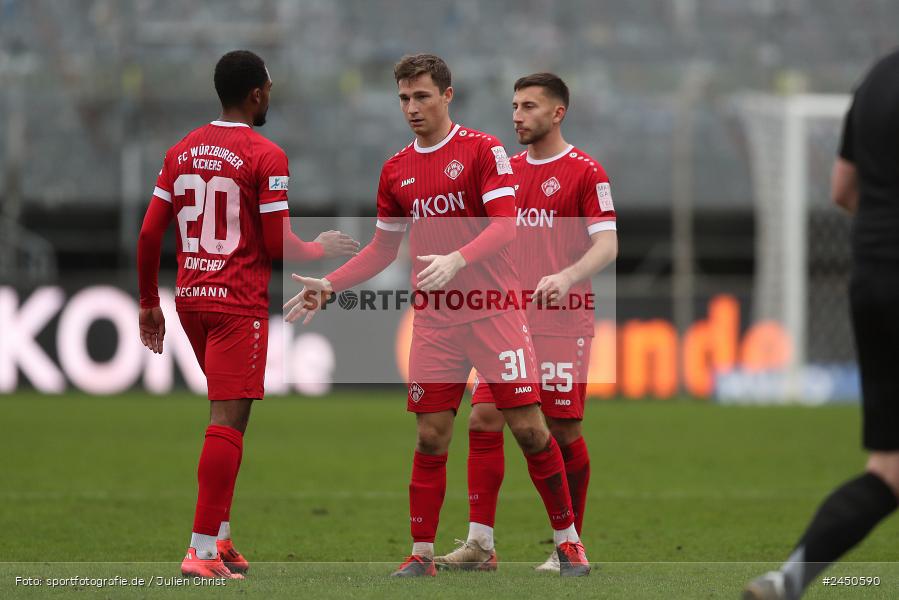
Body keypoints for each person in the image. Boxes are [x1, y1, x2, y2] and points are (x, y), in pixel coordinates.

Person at [284, 54, 591, 577]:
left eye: (422, 96)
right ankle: (422, 554)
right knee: (430, 435)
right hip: (435, 321)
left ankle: (568, 543)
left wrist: (458, 258)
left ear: (447, 96)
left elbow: (504, 226)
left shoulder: (482, 151)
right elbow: (383, 249)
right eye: (404, 98)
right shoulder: (396, 169)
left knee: (529, 429)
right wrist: (330, 284)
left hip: (494, 312)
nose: (412, 107)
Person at [136, 49, 358, 579]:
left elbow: (148, 234)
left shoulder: (181, 149)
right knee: (227, 421)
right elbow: (278, 243)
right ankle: (200, 551)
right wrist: (318, 247)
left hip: (190, 298)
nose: (271, 94)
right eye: (270, 87)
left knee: (229, 416)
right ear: (257, 93)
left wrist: (148, 302)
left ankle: (220, 535)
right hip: (237, 302)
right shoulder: (266, 155)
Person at [434, 73, 617, 573]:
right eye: (514, 105)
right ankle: (480, 544)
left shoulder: (585, 172)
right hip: (506, 321)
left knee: (561, 430)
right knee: (483, 420)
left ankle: (568, 547)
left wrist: (568, 274)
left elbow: (607, 243)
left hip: (562, 321)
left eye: (530, 106)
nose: (517, 115)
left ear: (558, 113)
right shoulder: (505, 170)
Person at [743, 49, 899, 599]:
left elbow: (842, 190)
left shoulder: (878, 77)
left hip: (874, 278)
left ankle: (788, 579)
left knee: (889, 469)